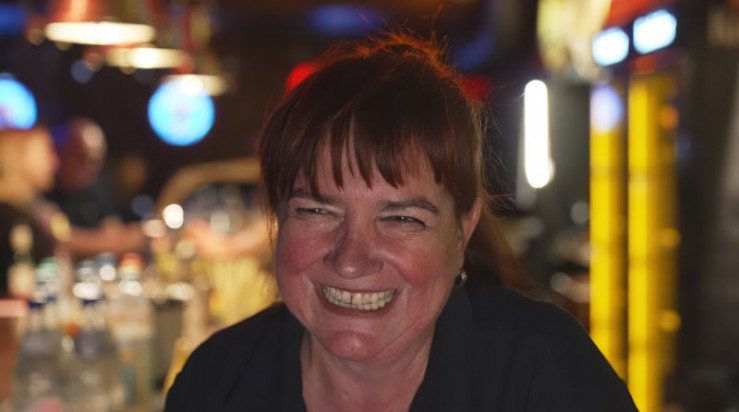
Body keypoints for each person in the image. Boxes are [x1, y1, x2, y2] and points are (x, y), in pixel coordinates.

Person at [165, 32, 637, 411]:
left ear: (462, 231)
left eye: (402, 219)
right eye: (316, 211)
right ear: (278, 219)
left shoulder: (546, 373)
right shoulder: (215, 382)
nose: (351, 259)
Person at [0, 127, 58, 297]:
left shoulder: (34, 210)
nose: (54, 161)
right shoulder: (6, 217)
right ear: (18, 157)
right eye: (46, 151)